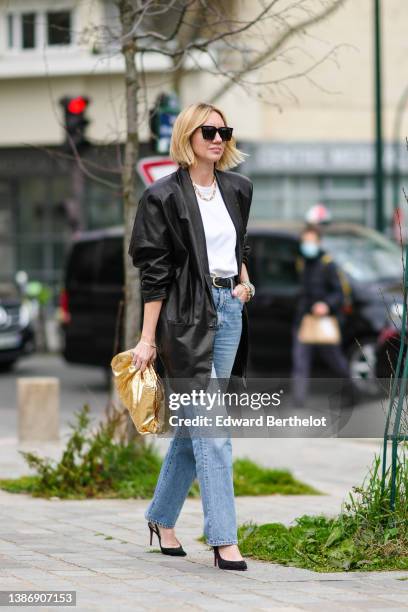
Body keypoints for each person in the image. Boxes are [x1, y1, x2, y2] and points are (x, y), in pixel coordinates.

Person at [128, 102, 255, 571]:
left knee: (195, 426)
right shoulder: (162, 197)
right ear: (188, 136)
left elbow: (239, 243)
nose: (218, 138)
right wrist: (147, 339)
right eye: (208, 131)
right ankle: (224, 540)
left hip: (229, 311)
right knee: (215, 431)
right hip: (184, 321)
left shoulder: (238, 188)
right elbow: (154, 274)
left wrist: (243, 281)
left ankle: (161, 519)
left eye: (224, 131)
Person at [292, 224, 355, 408]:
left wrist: (326, 305)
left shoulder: (328, 264)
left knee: (335, 359)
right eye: (305, 241)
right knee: (300, 361)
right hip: (304, 320)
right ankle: (299, 402)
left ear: (319, 243)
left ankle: (352, 392)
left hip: (324, 322)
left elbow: (340, 294)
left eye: (311, 242)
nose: (307, 245)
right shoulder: (301, 262)